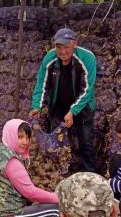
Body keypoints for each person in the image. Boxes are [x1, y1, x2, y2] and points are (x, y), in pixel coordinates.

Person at [29, 28, 97, 173]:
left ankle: (88, 173)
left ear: (74, 44)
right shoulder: (50, 58)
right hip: (59, 107)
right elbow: (41, 84)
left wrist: (73, 111)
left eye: (66, 47)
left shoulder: (87, 58)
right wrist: (37, 107)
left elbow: (87, 90)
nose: (63, 52)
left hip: (83, 107)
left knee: (85, 141)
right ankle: (59, 173)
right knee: (57, 142)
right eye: (59, 48)